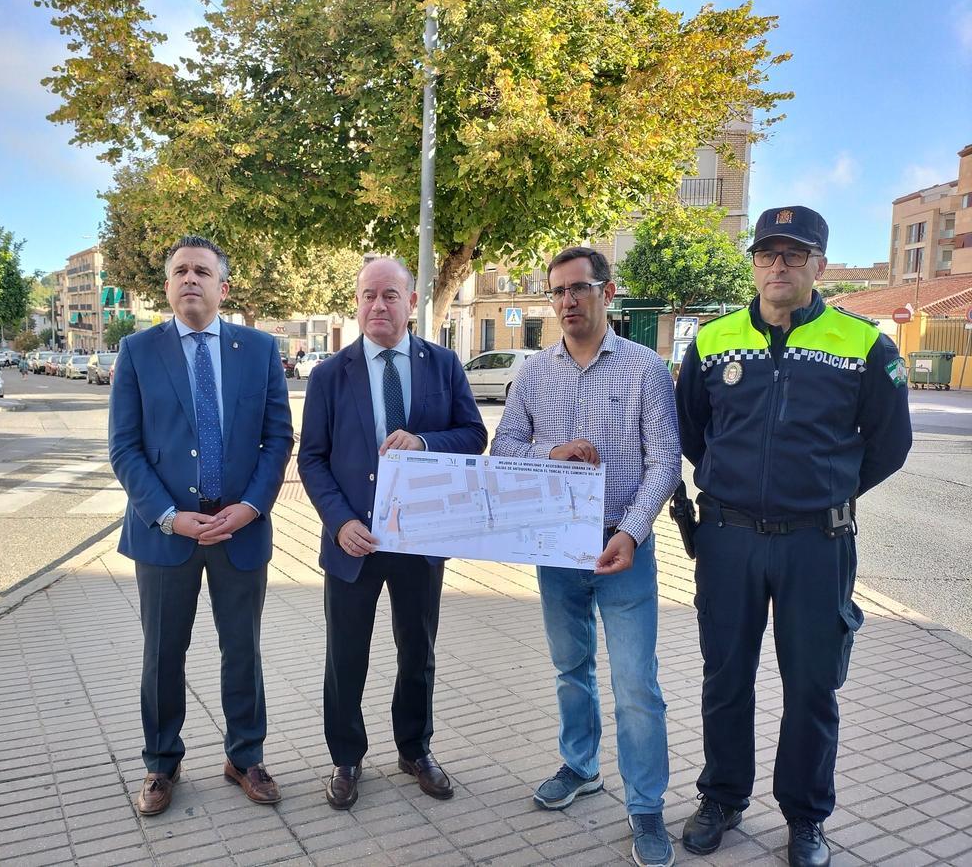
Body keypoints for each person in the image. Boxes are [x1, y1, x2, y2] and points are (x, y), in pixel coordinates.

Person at [675, 206, 912, 867]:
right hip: (727, 540)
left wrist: (824, 491)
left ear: (819, 266)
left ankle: (806, 817)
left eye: (794, 254)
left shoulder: (864, 344)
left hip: (817, 545)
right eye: (767, 253)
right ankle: (722, 797)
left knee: (812, 686)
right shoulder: (714, 341)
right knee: (726, 678)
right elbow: (693, 433)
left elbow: (890, 446)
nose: (779, 265)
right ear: (753, 262)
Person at [491, 246, 680, 867]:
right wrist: (551, 456)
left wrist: (631, 530)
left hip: (622, 548)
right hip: (556, 546)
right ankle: (581, 765)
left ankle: (646, 806)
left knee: (635, 684)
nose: (568, 302)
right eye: (558, 292)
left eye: (580, 289)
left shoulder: (647, 370)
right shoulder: (535, 373)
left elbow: (665, 463)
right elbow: (503, 451)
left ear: (608, 292)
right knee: (570, 668)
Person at [109, 235, 294, 817]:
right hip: (166, 534)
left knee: (243, 649)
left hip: (240, 529)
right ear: (167, 286)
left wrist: (252, 506)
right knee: (163, 653)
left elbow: (278, 438)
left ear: (223, 287)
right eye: (180, 271)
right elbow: (125, 448)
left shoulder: (260, 350)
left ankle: (246, 755)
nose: (191, 279)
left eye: (202, 271)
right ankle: (161, 763)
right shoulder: (137, 351)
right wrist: (169, 516)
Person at [297, 257, 487, 810]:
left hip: (420, 540)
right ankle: (346, 758)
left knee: (417, 652)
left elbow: (474, 434)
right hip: (353, 544)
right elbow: (311, 460)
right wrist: (341, 522)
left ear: (410, 301)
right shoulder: (331, 374)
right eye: (367, 296)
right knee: (345, 656)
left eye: (389, 296)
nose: (377, 306)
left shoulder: (443, 364)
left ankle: (415, 749)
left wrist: (426, 444)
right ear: (356, 303)